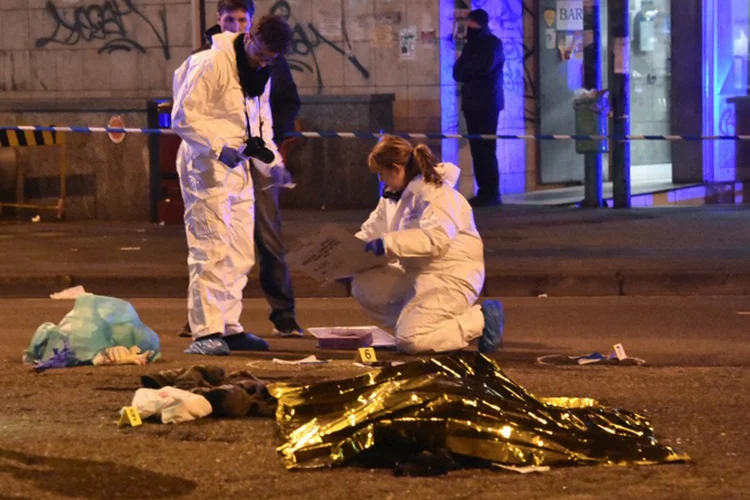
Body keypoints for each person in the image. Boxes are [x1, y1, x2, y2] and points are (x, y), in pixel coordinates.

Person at [179, 0, 304, 339]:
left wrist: (273, 165)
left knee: (239, 252)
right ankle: (206, 332)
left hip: (240, 169)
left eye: (270, 59)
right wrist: (220, 148)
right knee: (211, 249)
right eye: (262, 55)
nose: (265, 62)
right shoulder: (208, 63)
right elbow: (184, 117)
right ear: (249, 37)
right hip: (205, 168)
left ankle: (229, 326)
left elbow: (260, 128)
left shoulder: (258, 72)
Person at [351, 135, 504, 354]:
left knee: (412, 342)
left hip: (451, 276)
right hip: (419, 273)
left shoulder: (435, 193)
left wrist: (388, 243)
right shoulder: (393, 198)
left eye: (381, 173)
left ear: (395, 169)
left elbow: (437, 238)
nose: (381, 180)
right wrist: (344, 258)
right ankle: (416, 323)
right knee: (365, 284)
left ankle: (481, 320)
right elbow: (370, 231)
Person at [453, 8, 505, 207]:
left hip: (487, 103)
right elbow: (458, 72)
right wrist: (467, 70)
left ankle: (491, 192)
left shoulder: (492, 44)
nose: (468, 27)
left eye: (471, 23)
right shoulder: (471, 46)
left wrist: (467, 70)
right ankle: (484, 191)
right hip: (472, 103)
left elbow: (479, 69)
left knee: (486, 149)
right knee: (477, 149)